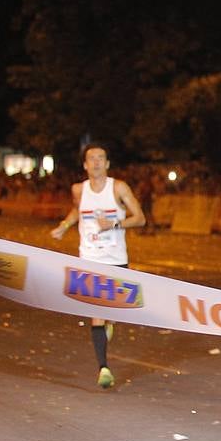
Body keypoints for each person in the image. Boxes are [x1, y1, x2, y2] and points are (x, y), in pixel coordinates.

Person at [49, 143, 147, 389]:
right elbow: (76, 211)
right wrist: (65, 225)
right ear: (84, 165)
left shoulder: (119, 188)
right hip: (89, 259)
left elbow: (140, 218)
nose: (96, 162)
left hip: (116, 260)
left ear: (108, 163)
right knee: (96, 315)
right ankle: (103, 368)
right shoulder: (78, 190)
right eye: (91, 158)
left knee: (112, 313)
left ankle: (110, 323)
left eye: (101, 158)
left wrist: (113, 225)